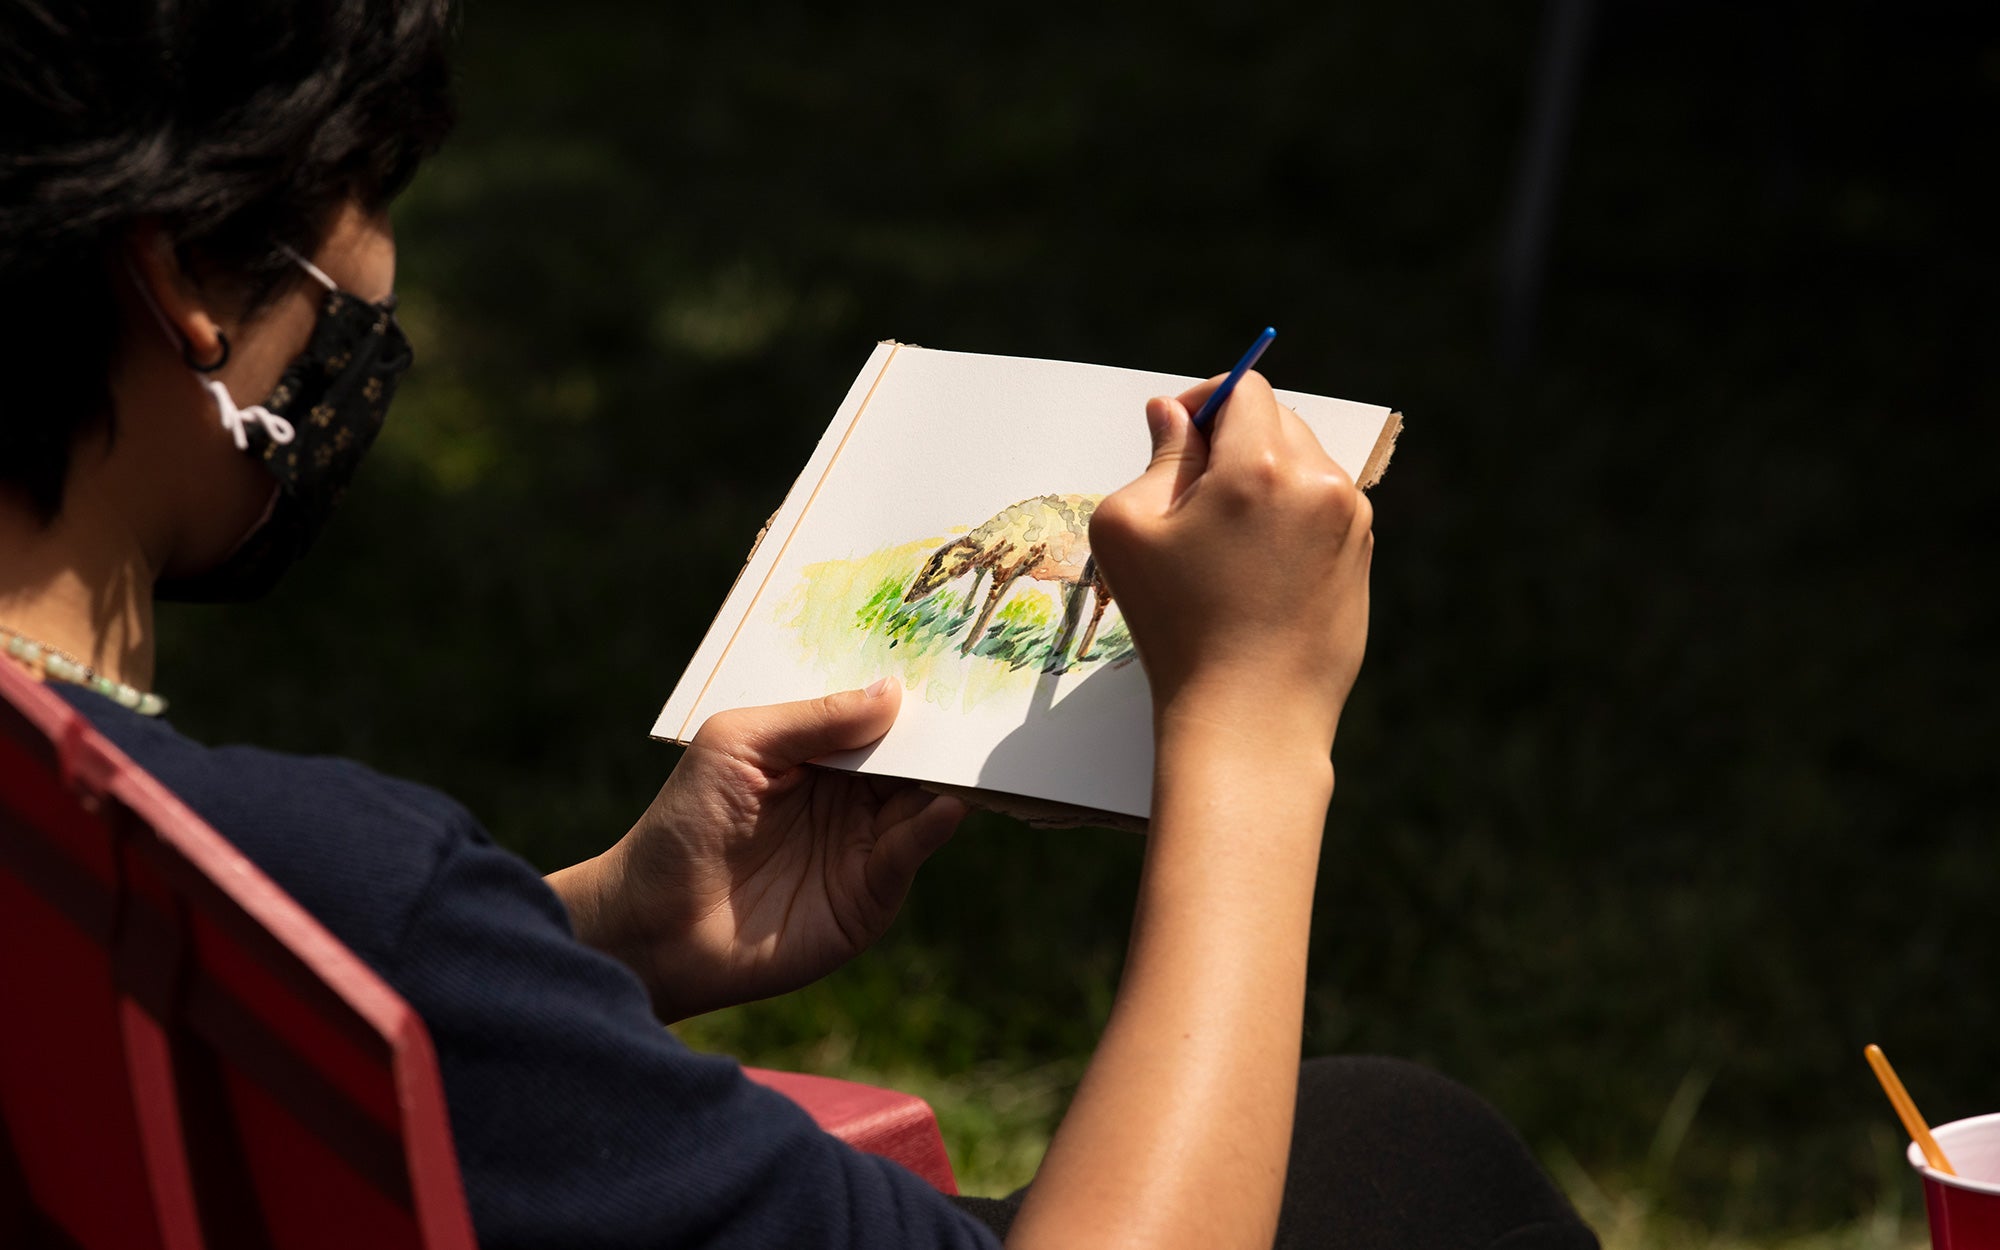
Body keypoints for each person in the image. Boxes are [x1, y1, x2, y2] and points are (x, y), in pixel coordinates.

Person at [0, 2, 1598, 1247]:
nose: (376, 265)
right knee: (1416, 1160)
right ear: (189, 284)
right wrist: (1253, 729)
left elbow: (322, 1005)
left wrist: (603, 928)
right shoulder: (326, 866)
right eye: (366, 188)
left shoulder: (196, 868)